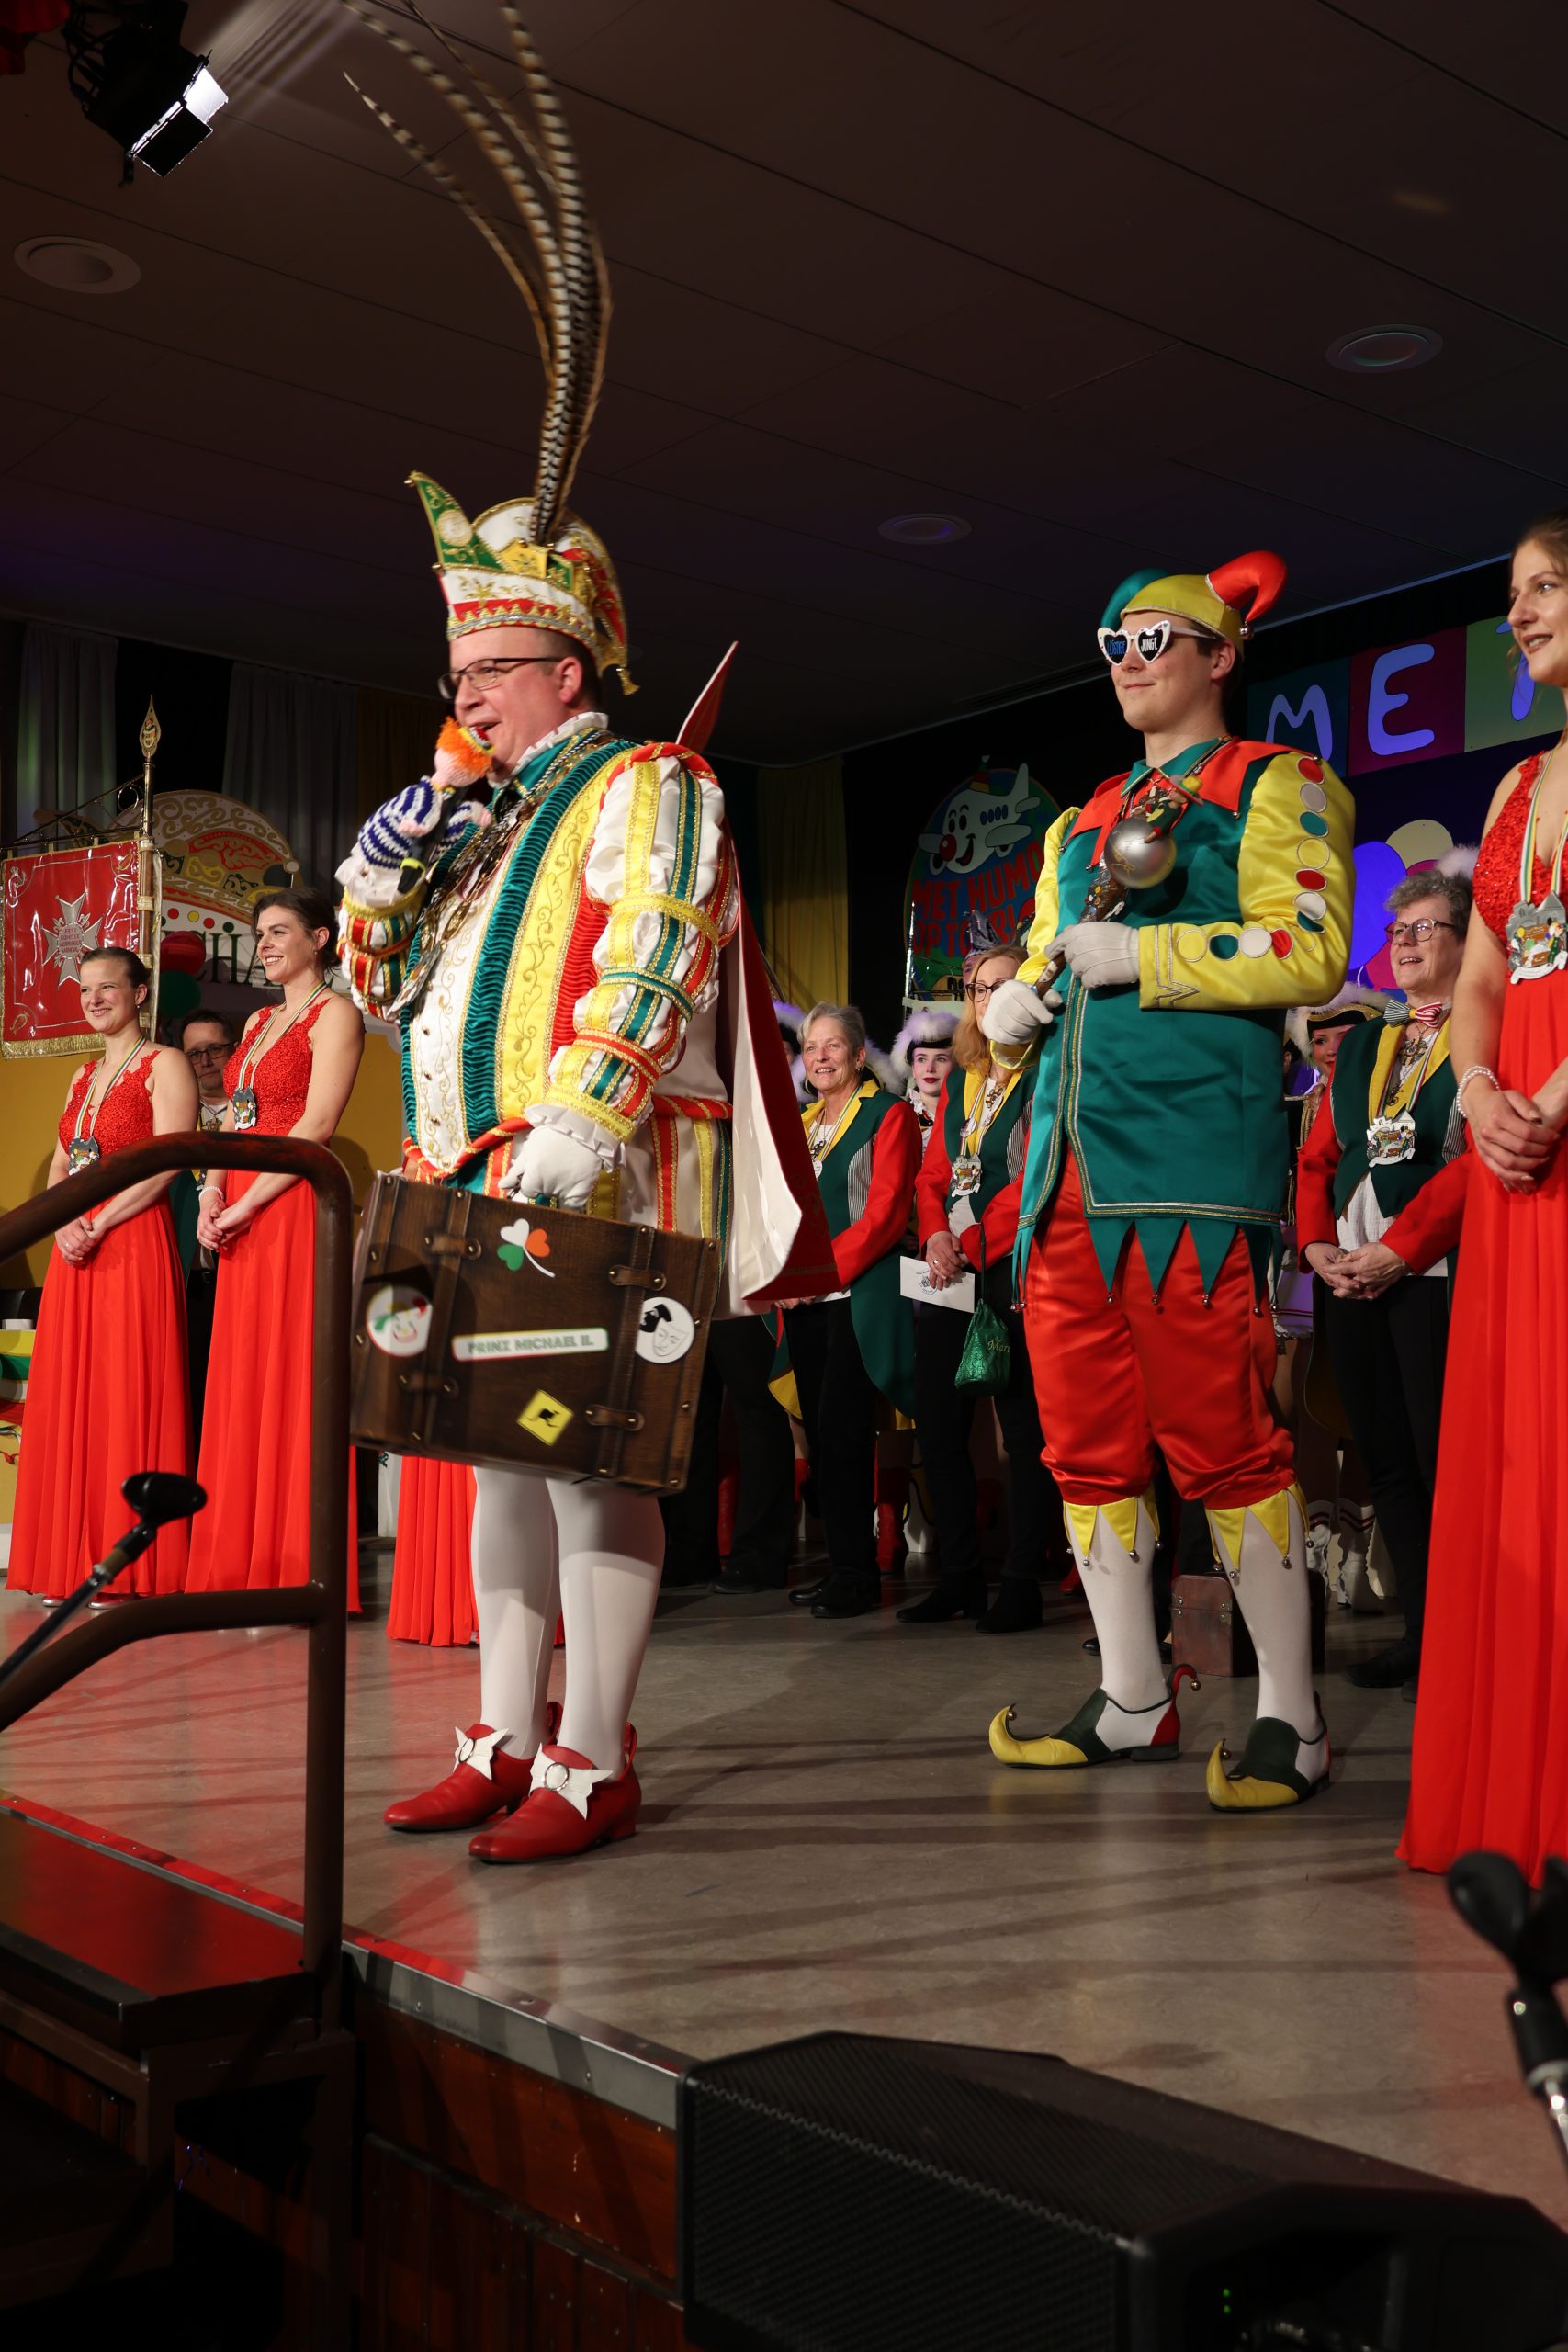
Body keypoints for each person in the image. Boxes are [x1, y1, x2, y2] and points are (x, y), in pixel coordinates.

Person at [334, 8, 827, 1864]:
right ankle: (498, 1729)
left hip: (593, 1161)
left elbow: (657, 949)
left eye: (491, 664)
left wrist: (589, 1106)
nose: (463, 689)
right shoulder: (484, 818)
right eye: (454, 667)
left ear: (567, 663)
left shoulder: (649, 782)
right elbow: (386, 984)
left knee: (587, 1450)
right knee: (492, 1458)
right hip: (475, 1158)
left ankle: (592, 1753)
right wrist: (393, 861)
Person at [981, 549, 1354, 1810]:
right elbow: (1051, 956)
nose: (1130, 661)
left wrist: (1149, 957)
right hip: (1062, 1177)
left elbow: (1309, 948)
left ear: (1218, 656)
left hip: (1190, 1168)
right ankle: (1133, 1694)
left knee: (1225, 1443)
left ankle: (1291, 1717)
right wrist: (1012, 1011)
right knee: (1083, 1448)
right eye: (1113, 644)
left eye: (1154, 639)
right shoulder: (1077, 821)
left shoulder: (1277, 783)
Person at [1402, 512, 1568, 1884]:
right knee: (1514, 1463)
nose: (1518, 613)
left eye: (1546, 586)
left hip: (1556, 1122)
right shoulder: (1514, 788)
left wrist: (1549, 1100)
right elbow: (1479, 980)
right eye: (1513, 594)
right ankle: (1509, 1790)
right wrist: (1475, 1091)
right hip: (1513, 1141)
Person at [1296, 870, 1472, 1699]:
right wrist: (1315, 1245)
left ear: (1468, 942)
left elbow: (1473, 1165)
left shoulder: (1486, 1029)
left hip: (1434, 1274)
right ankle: (1421, 1634)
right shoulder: (1367, 1040)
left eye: (1424, 929)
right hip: (1349, 1278)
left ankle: (1466, 1639)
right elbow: (1318, 1159)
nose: (1403, 944)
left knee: (1444, 1463)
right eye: (1397, 931)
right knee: (1387, 1463)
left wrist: (1400, 1249)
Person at [186, 892, 364, 1602]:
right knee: (241, 1378)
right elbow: (235, 1120)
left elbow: (316, 1124)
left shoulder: (335, 1014)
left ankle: (293, 1566)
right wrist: (211, 1191)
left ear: (318, 938)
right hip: (240, 1206)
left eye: (278, 931)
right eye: (259, 933)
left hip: (290, 1207)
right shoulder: (258, 1022)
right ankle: (238, 1560)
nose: (263, 943)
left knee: (291, 1378)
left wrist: (250, 1199)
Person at [6, 948, 197, 1600]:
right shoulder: (83, 1074)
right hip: (75, 1247)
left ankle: (128, 1563)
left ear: (139, 993)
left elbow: (170, 1160)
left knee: (123, 1390)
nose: (93, 999)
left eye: (107, 987)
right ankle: (69, 1560)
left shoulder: (164, 1064)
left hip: (131, 1239)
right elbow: (63, 1162)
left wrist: (101, 1220)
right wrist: (63, 1220)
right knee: (72, 1397)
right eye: (85, 989)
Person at [898, 944, 1067, 1634]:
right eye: (977, 989)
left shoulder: (1046, 1071)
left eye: (1002, 985)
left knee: (1021, 1433)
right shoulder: (966, 1077)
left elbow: (1035, 1177)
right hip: (946, 1269)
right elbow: (934, 1174)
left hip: (1011, 1266)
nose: (988, 998)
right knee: (939, 1427)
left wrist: (966, 1247)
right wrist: (936, 1234)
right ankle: (959, 1577)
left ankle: (1022, 1582)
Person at [782, 1004, 919, 1620]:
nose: (820, 1056)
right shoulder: (801, 1123)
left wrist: (816, 1277)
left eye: (832, 1045)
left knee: (844, 1436)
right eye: (811, 1047)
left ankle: (859, 1577)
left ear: (859, 1056)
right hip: (805, 1303)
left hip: (858, 1300)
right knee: (822, 1441)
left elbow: (884, 1216)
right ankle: (843, 1565)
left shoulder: (888, 1115)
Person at [169, 1008, 235, 1446]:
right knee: (189, 1389)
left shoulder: (254, 1109)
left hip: (239, 1264)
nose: (204, 1061)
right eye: (193, 1053)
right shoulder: (170, 1111)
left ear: (235, 1050)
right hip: (186, 1273)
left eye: (214, 1049)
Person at [891, 1008, 958, 1146]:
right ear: (913, 1068)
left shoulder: (969, 1114)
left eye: (941, 1059)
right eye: (921, 1059)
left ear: (956, 1065)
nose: (930, 1068)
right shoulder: (896, 1116)